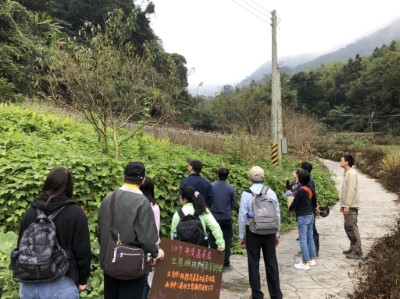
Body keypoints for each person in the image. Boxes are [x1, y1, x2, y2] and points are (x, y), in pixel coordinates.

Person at [17, 167, 91, 299]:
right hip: (61, 281)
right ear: (69, 186)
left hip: (28, 283)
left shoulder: (31, 211)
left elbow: (20, 245)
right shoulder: (76, 213)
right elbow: (82, 251)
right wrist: (83, 279)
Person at [97, 162, 160, 299]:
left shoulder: (109, 198)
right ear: (142, 180)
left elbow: (100, 232)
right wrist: (155, 253)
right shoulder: (143, 202)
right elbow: (147, 239)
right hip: (133, 267)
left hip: (110, 262)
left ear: (123, 177)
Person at [238, 166, 283, 299]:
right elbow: (277, 215)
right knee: (271, 262)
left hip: (252, 231)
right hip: (269, 231)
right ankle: (276, 294)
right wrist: (277, 233)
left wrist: (241, 235)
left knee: (253, 262)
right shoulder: (271, 193)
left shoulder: (246, 194)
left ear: (250, 178)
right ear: (263, 178)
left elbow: (242, 216)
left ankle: (257, 294)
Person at [171, 186, 225, 251]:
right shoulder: (202, 210)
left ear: (184, 199)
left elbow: (173, 234)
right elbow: (215, 226)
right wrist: (220, 244)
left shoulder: (177, 214)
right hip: (201, 251)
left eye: (180, 197)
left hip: (183, 252)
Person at [209, 167, 237, 271]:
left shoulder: (211, 186)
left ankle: (213, 263)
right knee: (227, 240)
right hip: (226, 217)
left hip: (213, 218)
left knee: (212, 239)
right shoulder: (230, 188)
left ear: (217, 174)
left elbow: (208, 200)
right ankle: (225, 264)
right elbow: (234, 203)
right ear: (227, 176)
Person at [289, 169, 317, 270]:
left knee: (303, 240)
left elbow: (294, 203)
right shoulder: (310, 189)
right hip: (310, 215)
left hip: (303, 216)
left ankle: (305, 263)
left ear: (300, 179)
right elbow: (314, 202)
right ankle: (312, 259)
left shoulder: (300, 190)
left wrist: (290, 208)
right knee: (310, 238)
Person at [139, 177, 160, 299]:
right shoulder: (154, 207)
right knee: (145, 281)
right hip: (147, 250)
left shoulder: (134, 203)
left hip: (132, 248)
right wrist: (155, 252)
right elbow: (155, 231)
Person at [340, 154, 363, 259]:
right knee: (348, 227)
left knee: (352, 228)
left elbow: (350, 191)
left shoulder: (351, 174)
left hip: (351, 205)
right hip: (348, 205)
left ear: (347, 162)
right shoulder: (347, 173)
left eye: (341, 160)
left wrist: (347, 205)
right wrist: (343, 205)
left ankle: (358, 251)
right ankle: (352, 247)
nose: (340, 161)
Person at [300, 162, 320, 256]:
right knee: (309, 229)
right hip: (308, 208)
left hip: (308, 209)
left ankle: (314, 250)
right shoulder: (307, 180)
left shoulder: (308, 181)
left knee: (312, 229)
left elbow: (312, 196)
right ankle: (309, 250)